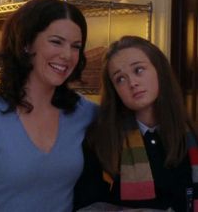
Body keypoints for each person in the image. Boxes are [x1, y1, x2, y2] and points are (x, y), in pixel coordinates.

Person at [0, 0, 99, 212]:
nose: (67, 55)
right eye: (56, 41)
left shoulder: (86, 113)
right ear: (26, 43)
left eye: (76, 47)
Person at [77, 35, 198, 212]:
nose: (132, 83)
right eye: (120, 79)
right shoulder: (100, 140)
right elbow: (85, 205)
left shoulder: (191, 136)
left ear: (159, 70)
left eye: (139, 70)